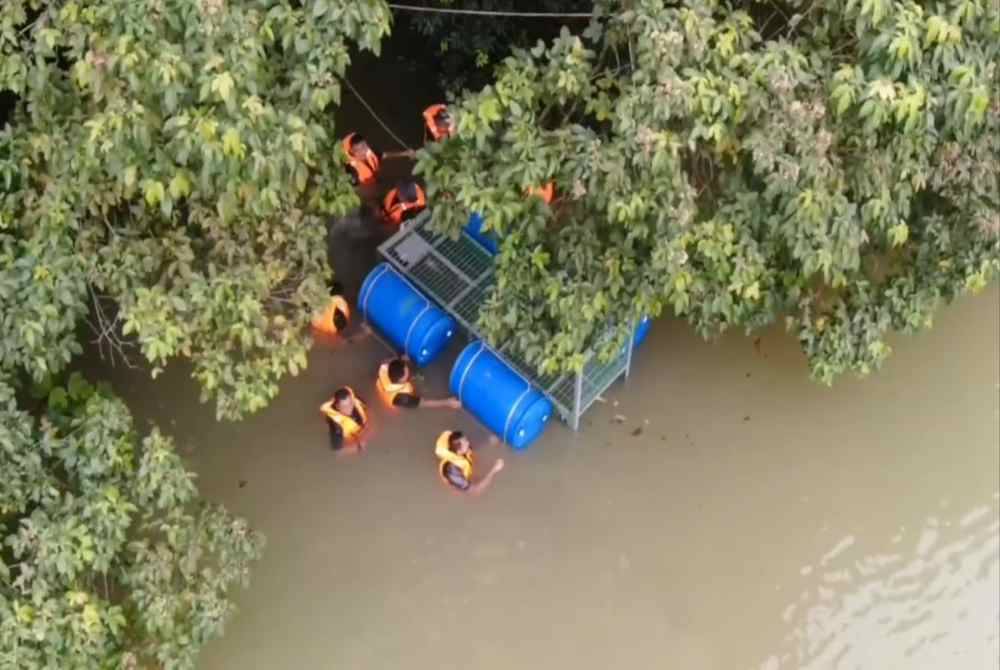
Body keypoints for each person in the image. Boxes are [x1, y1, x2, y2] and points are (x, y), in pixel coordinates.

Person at [435, 430, 504, 495]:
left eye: (466, 440)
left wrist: (489, 440)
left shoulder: (461, 450)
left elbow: (472, 445)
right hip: (457, 482)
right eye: (465, 443)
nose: (468, 443)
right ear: (459, 451)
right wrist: (494, 470)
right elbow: (475, 490)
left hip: (464, 464)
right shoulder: (452, 471)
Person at [377, 356, 460, 409]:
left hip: (384, 385)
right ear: (400, 381)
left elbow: (387, 361)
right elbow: (424, 403)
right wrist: (447, 403)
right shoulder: (403, 398)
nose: (409, 372)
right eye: (406, 374)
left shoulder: (384, 367)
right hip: (393, 399)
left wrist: (401, 358)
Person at [320, 387, 370, 453]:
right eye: (344, 407)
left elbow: (368, 413)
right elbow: (337, 452)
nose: (349, 409)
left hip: (358, 430)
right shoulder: (336, 428)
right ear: (338, 407)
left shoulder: (357, 403)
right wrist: (357, 447)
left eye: (350, 404)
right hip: (347, 435)